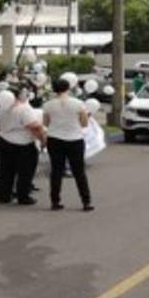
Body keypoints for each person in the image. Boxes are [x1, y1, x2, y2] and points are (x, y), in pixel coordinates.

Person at [42, 79, 93, 211]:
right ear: (68, 88)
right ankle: (86, 202)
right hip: (75, 139)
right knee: (79, 172)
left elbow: (46, 123)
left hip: (54, 139)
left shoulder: (48, 105)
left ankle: (55, 201)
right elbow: (84, 123)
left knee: (56, 171)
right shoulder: (78, 103)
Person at [0, 86, 44, 205]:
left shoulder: (0, 109)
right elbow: (35, 126)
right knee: (25, 170)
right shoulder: (23, 109)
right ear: (18, 95)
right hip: (23, 143)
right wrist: (42, 140)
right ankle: (23, 196)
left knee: (6, 170)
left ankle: (4, 195)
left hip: (4, 140)